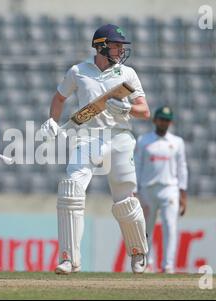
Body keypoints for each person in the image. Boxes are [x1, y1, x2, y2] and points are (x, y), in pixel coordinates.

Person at [40, 24, 151, 274]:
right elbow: (59, 98)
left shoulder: (127, 73)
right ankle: (69, 258)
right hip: (87, 137)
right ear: (101, 46)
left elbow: (145, 111)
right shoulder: (78, 71)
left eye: (122, 46)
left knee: (125, 199)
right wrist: (52, 122)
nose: (121, 50)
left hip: (120, 137)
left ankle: (137, 252)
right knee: (71, 189)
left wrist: (126, 109)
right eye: (116, 45)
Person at [135, 106, 188, 274]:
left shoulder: (177, 142)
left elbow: (182, 168)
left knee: (170, 226)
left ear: (170, 122)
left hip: (169, 190)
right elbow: (136, 166)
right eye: (161, 119)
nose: (164, 122)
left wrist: (183, 194)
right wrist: (135, 191)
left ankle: (168, 265)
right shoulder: (144, 140)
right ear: (155, 120)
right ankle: (147, 263)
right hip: (147, 190)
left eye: (167, 120)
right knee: (146, 229)